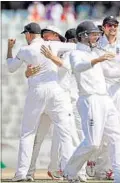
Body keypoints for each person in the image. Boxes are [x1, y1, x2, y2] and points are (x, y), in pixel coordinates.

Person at [63, 20, 120, 183]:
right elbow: (79, 67)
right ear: (83, 36)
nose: (96, 37)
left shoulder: (95, 53)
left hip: (105, 98)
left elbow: (110, 72)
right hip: (89, 100)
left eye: (97, 34)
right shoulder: (77, 53)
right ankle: (70, 171)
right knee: (93, 143)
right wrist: (97, 60)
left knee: (117, 136)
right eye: (93, 34)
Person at [7, 22, 75, 182]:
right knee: (65, 133)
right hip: (55, 90)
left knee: (27, 133)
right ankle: (70, 172)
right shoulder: (53, 44)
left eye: (26, 35)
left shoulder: (25, 50)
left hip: (37, 91)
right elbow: (75, 47)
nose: (26, 37)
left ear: (29, 35)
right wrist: (55, 55)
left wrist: (9, 48)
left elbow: (10, 67)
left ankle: (22, 174)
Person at [25, 27, 87, 182]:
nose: (46, 40)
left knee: (68, 138)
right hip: (46, 100)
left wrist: (52, 56)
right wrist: (28, 73)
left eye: (48, 37)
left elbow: (66, 65)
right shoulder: (41, 53)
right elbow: (30, 74)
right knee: (38, 137)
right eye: (44, 37)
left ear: (58, 38)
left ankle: (65, 171)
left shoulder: (69, 54)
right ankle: (28, 171)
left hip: (64, 100)